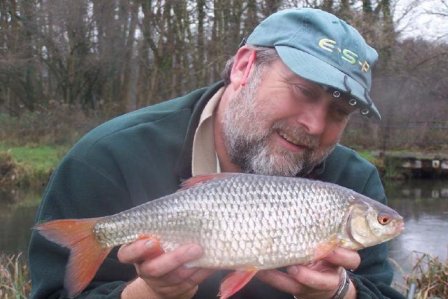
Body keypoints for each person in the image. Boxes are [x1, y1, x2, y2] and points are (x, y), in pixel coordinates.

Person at [28, 7, 405, 299]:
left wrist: (339, 292)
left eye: (339, 112)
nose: (315, 125)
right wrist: (148, 293)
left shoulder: (354, 183)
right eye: (303, 91)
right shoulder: (105, 159)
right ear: (244, 68)